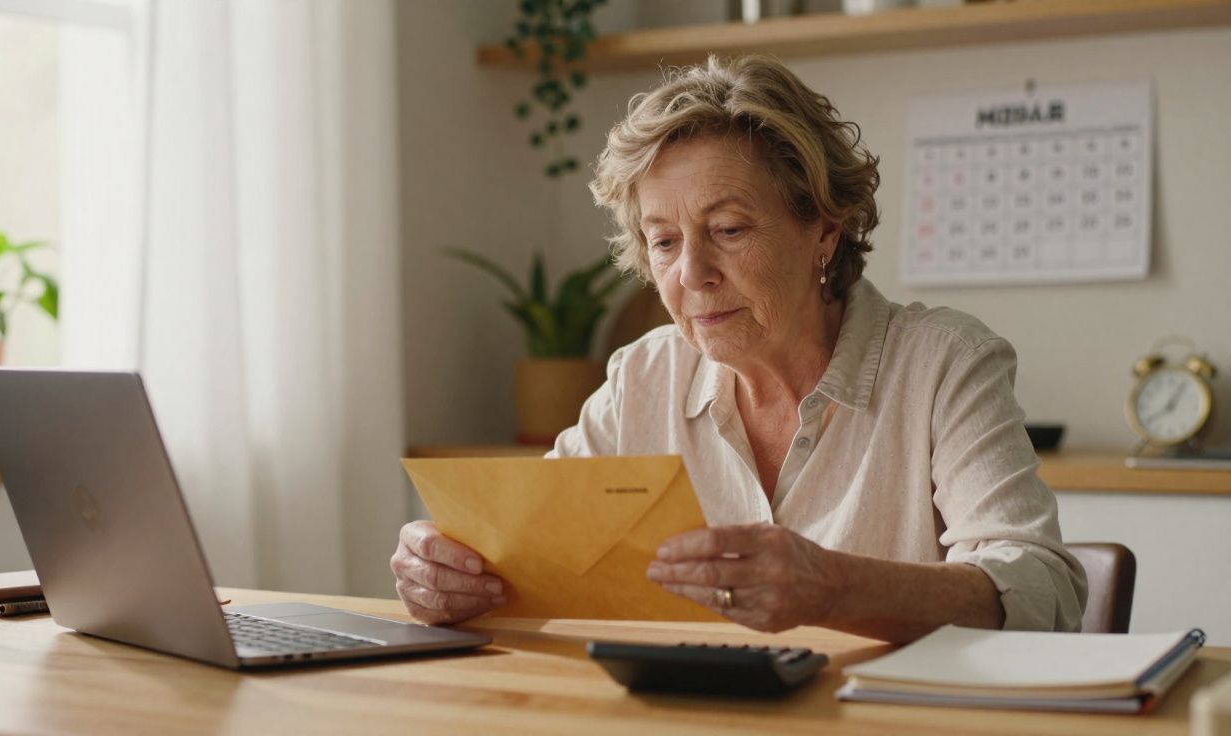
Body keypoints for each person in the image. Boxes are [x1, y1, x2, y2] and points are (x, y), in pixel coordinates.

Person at [390, 55, 1087, 643]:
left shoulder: (943, 362)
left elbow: (1043, 591)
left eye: (727, 229)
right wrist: (448, 570)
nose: (690, 274)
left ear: (823, 229)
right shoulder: (645, 375)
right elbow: (528, 552)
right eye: (663, 242)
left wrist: (834, 586)